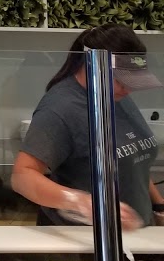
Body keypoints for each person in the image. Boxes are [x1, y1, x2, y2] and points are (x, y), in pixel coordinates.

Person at [11, 24, 164, 230]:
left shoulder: (115, 95)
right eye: (120, 79)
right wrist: (81, 202)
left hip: (135, 233)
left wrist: (158, 205)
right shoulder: (60, 107)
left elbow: (134, 160)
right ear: (91, 64)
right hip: (83, 236)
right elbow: (22, 176)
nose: (128, 88)